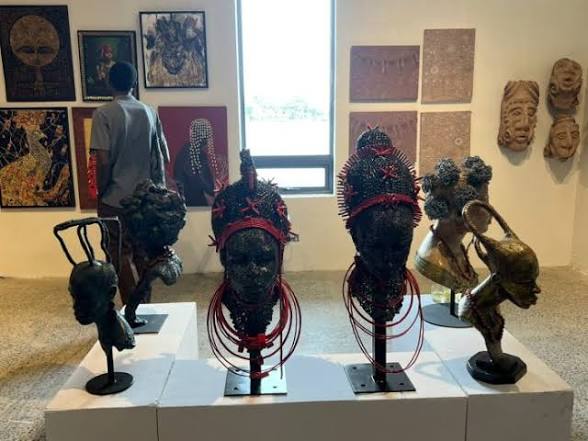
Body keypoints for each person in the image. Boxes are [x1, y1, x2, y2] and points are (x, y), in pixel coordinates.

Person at [90, 62, 169, 305]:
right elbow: (162, 156)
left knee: (118, 253)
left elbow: (103, 160)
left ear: (109, 82)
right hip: (145, 199)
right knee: (142, 253)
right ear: (134, 83)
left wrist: (101, 191)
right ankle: (144, 306)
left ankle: (131, 306)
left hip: (115, 197)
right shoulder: (149, 112)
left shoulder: (103, 114)